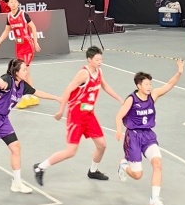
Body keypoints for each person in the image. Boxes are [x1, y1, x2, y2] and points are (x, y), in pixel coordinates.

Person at [0, 59, 60, 200]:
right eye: (24, 70)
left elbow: (37, 92)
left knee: (15, 147)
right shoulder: (8, 79)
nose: (26, 72)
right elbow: (0, 81)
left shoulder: (22, 85)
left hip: (2, 118)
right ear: (16, 72)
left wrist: (57, 98)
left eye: (26, 69)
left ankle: (17, 183)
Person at [33, 46, 123, 186]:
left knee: (102, 145)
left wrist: (120, 99)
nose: (100, 61)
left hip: (89, 115)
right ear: (89, 59)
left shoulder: (99, 72)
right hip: (76, 115)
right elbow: (68, 90)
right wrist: (61, 110)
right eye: (97, 59)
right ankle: (40, 167)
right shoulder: (83, 74)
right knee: (71, 151)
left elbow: (105, 86)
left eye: (101, 59)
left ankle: (93, 171)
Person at [115, 60, 185, 205]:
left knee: (157, 164)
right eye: (146, 84)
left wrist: (179, 72)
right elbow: (119, 116)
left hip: (148, 135)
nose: (149, 87)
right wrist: (119, 131)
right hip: (133, 137)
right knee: (137, 175)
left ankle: (154, 200)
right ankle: (123, 165)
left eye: (150, 84)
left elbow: (169, 85)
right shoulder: (131, 99)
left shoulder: (153, 95)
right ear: (138, 85)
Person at [0, 0, 41, 108]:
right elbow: (6, 31)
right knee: (24, 72)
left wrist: (36, 42)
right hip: (19, 47)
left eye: (15, 2)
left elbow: (33, 27)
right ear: (8, 4)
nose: (13, 4)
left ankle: (27, 95)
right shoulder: (9, 16)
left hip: (27, 46)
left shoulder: (23, 14)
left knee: (24, 71)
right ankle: (31, 95)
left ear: (18, 3)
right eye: (11, 2)